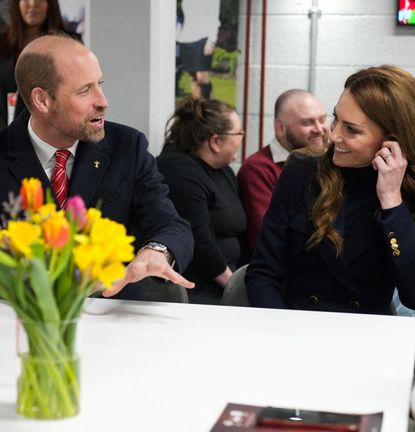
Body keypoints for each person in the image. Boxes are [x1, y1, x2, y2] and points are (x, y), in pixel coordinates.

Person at [0, 34, 195, 299]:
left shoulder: (128, 146)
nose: (103, 101)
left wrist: (158, 251)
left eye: (100, 84)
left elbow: (171, 225)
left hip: (112, 315)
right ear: (42, 100)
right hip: (20, 321)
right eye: (85, 90)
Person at [246, 65, 415, 314]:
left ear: (392, 141)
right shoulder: (302, 171)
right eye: (336, 118)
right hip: (297, 324)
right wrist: (280, 331)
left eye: (352, 130)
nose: (333, 135)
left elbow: (412, 295)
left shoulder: (406, 192)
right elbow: (262, 273)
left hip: (366, 332)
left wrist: (391, 200)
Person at [157, 97, 247, 305]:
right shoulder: (178, 170)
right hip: (198, 289)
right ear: (216, 142)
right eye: (239, 134)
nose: (241, 139)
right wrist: (236, 287)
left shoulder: (224, 171)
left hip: (225, 283)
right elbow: (200, 242)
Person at [238, 89, 328, 253]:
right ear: (280, 128)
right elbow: (265, 237)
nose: (320, 129)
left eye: (322, 119)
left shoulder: (328, 162)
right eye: (307, 123)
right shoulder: (258, 169)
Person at [0, 0, 81, 131]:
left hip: (52, 131)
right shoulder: (2, 43)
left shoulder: (69, 42)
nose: (32, 3)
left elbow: (77, 88)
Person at [176, 0, 220, 99]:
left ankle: (209, 107)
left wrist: (212, 41)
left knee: (202, 79)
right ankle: (196, 108)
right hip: (186, 40)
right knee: (193, 78)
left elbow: (214, 19)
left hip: (203, 40)